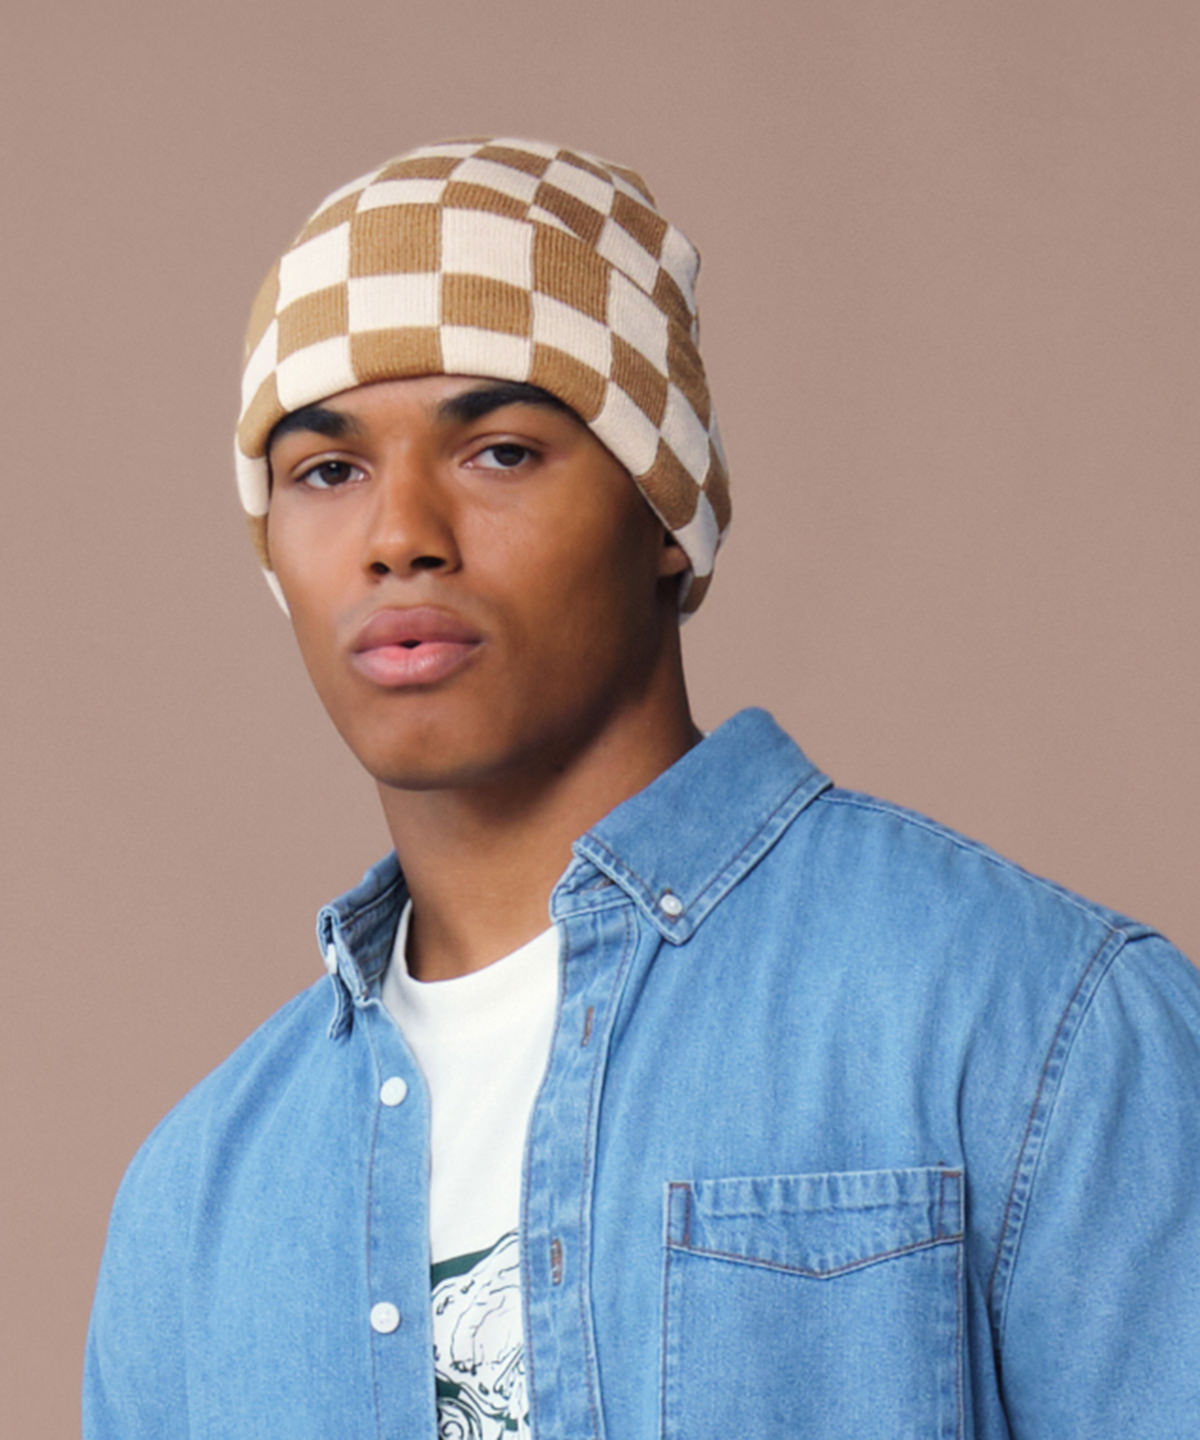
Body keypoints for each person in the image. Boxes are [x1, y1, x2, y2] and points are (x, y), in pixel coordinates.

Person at [83, 137, 1200, 1439]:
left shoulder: (1035, 1026)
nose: (399, 536)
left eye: (500, 451)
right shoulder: (191, 1210)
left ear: (665, 515)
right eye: (327, 471)